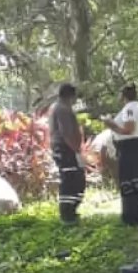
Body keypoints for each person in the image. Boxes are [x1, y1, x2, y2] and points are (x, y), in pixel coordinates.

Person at [101, 83, 138, 226]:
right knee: (136, 181)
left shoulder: (129, 109)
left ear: (123, 96)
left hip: (131, 149)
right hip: (135, 147)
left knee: (129, 182)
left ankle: (132, 216)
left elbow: (129, 129)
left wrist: (111, 124)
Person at [47, 83, 86, 226]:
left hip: (66, 148)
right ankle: (67, 215)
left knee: (77, 178)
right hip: (66, 149)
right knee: (71, 180)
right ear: (70, 96)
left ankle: (71, 211)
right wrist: (75, 148)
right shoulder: (62, 109)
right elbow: (66, 133)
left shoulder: (59, 107)